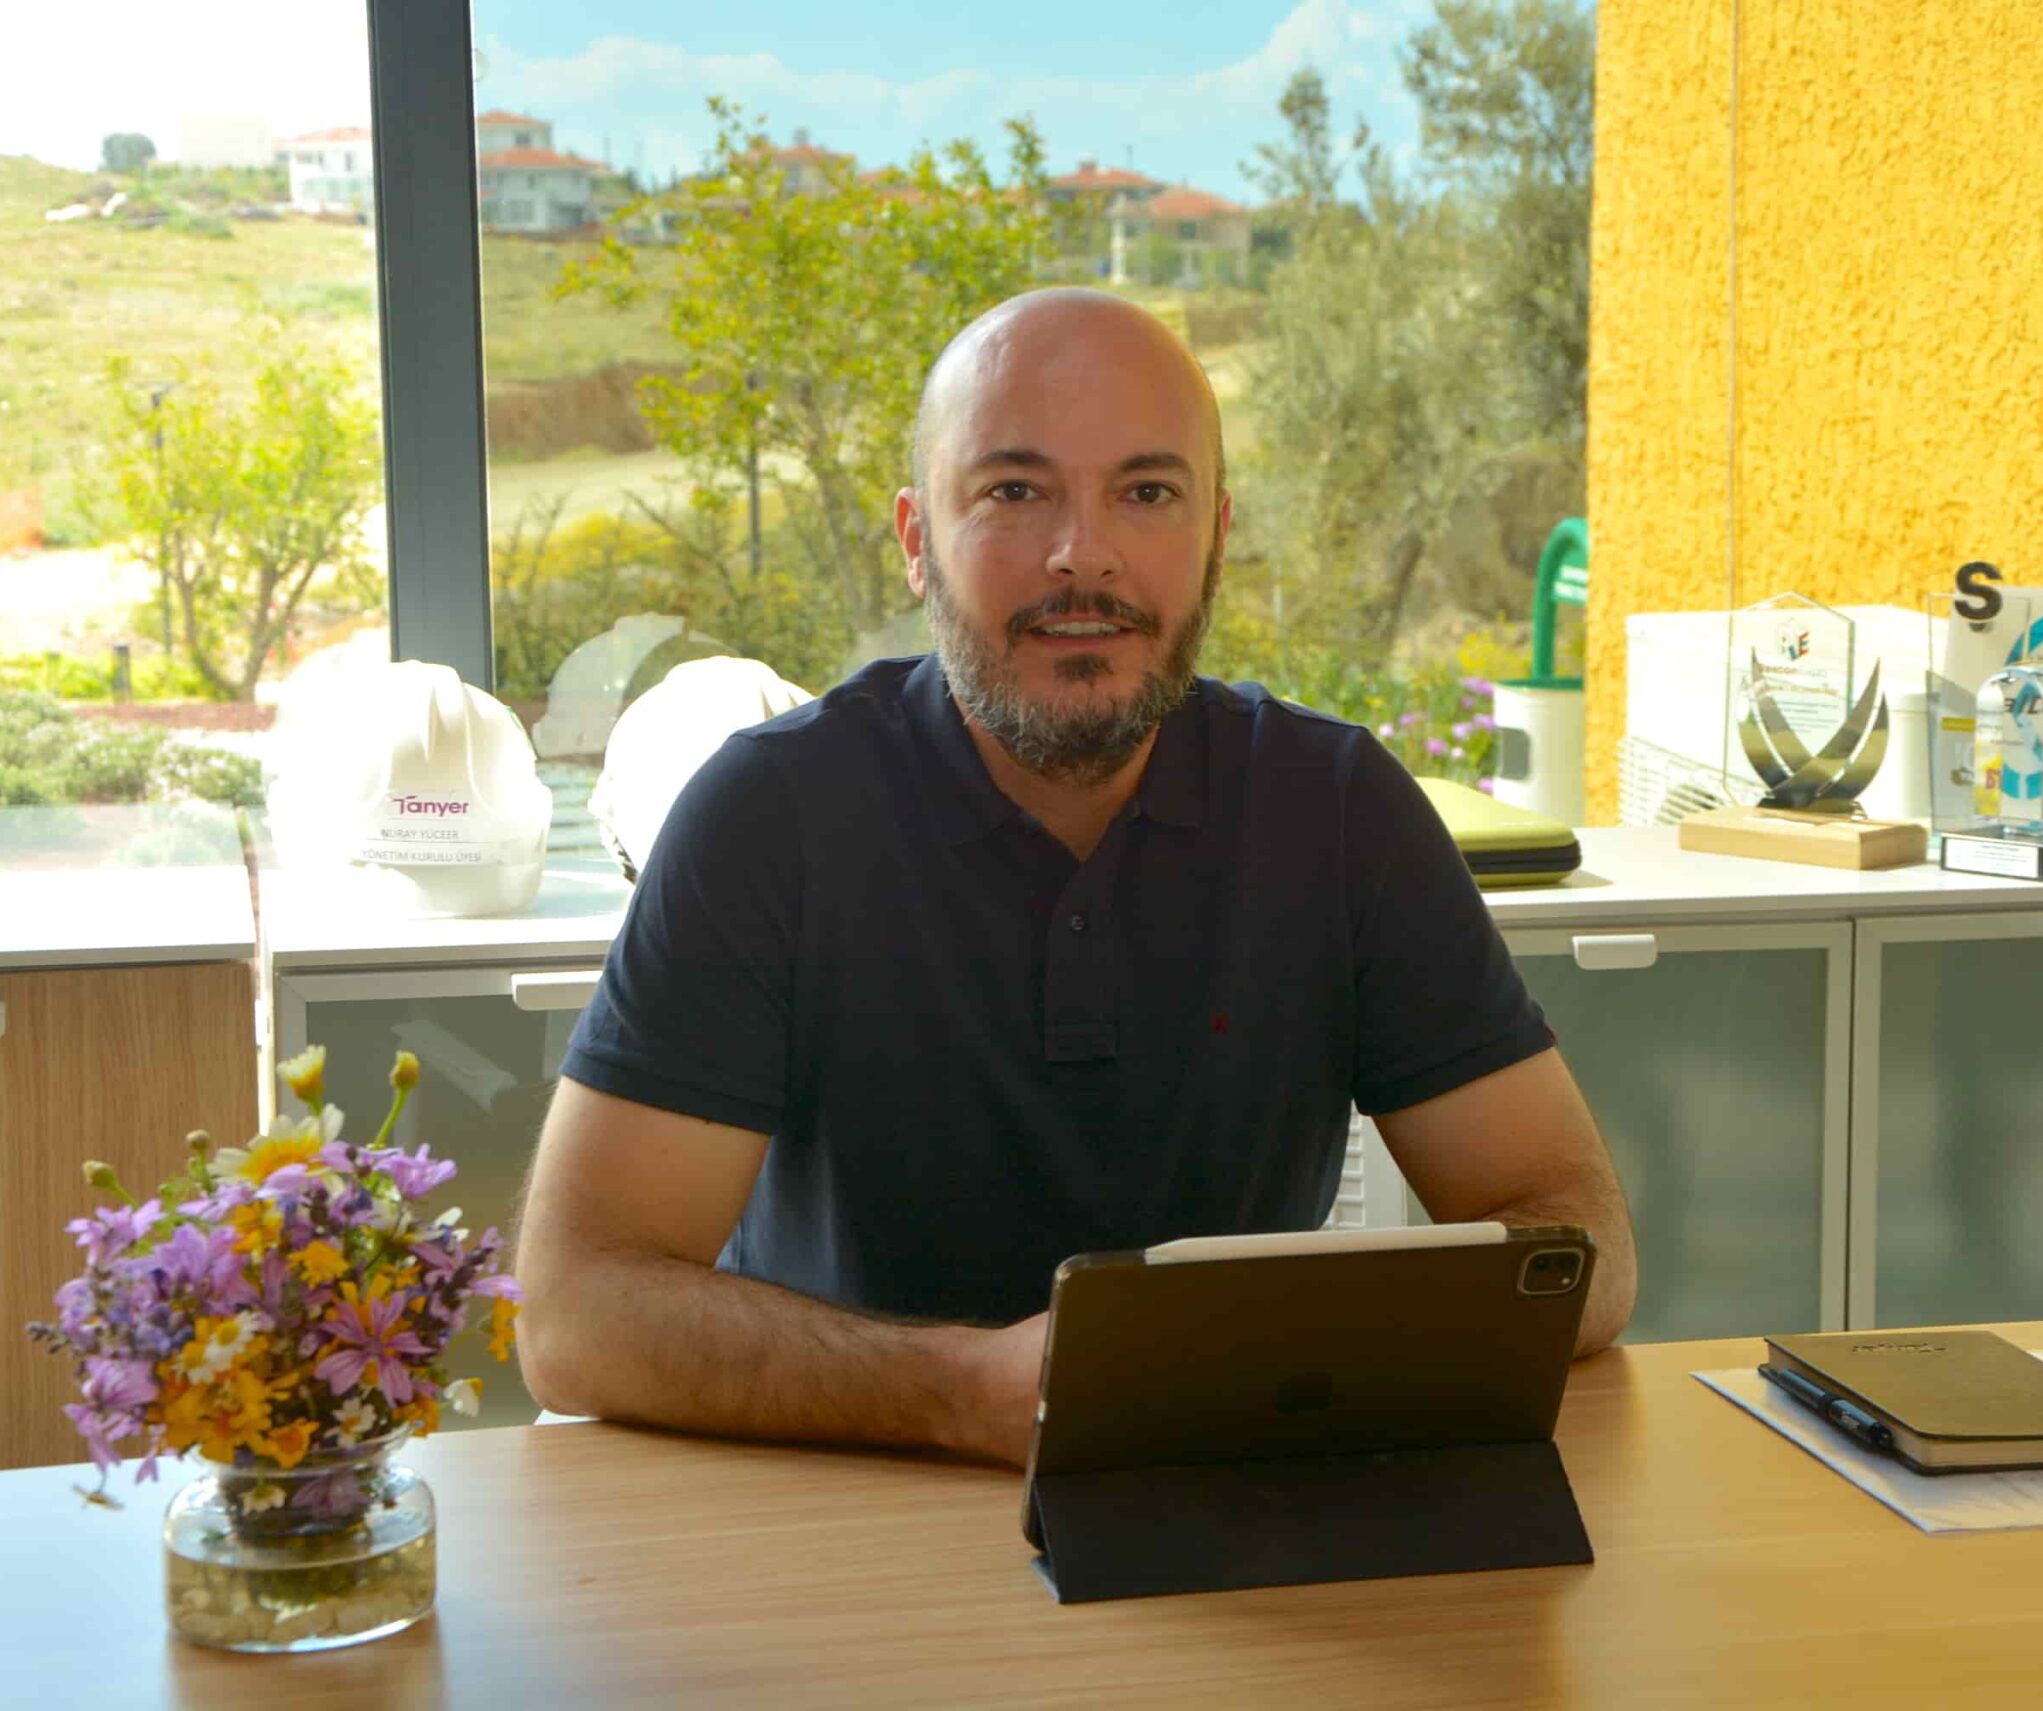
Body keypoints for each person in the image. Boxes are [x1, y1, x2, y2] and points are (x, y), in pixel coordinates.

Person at [515, 289, 1636, 1467]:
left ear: (1215, 538)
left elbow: (1580, 1242)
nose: (1083, 555)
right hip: (839, 1508)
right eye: (1014, 490)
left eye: (1146, 493)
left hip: (1229, 1503)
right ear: (914, 540)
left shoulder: (1339, 809)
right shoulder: (770, 817)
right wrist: (958, 1393)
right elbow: (577, 1310)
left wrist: (1286, 1364)